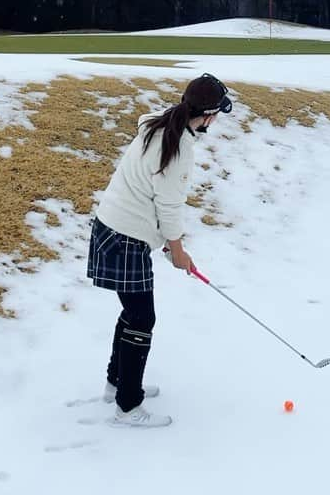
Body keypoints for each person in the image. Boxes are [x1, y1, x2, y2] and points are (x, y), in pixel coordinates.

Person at [87, 73, 232, 427]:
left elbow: (154, 198)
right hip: (125, 237)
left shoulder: (158, 125)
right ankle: (127, 406)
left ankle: (117, 383)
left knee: (133, 312)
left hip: (112, 228)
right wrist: (178, 249)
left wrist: (169, 246)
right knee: (142, 317)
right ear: (209, 115)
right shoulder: (177, 148)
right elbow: (168, 207)